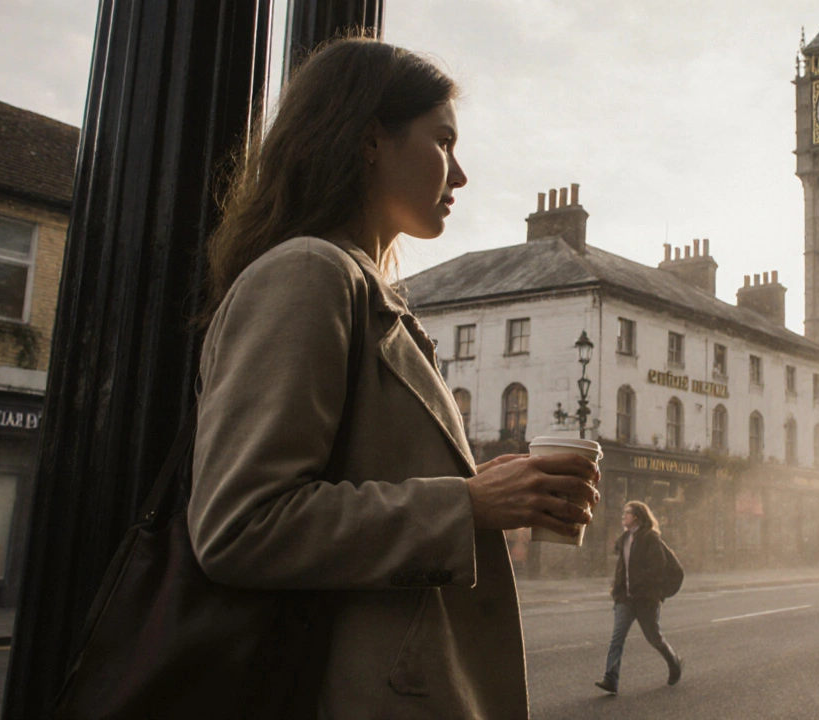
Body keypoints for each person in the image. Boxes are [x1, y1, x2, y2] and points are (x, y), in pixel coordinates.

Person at [189, 37, 601, 718]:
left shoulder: (371, 294)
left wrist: (483, 497)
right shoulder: (309, 274)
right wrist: (467, 505)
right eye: (444, 141)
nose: (460, 173)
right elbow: (242, 524)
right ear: (371, 140)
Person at [595, 501, 684, 695]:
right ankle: (611, 679)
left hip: (645, 600)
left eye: (626, 513)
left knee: (654, 638)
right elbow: (623, 568)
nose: (623, 517)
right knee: (616, 638)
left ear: (636, 516)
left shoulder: (650, 538)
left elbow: (658, 567)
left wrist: (641, 584)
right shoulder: (625, 538)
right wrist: (617, 591)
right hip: (625, 599)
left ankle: (674, 661)